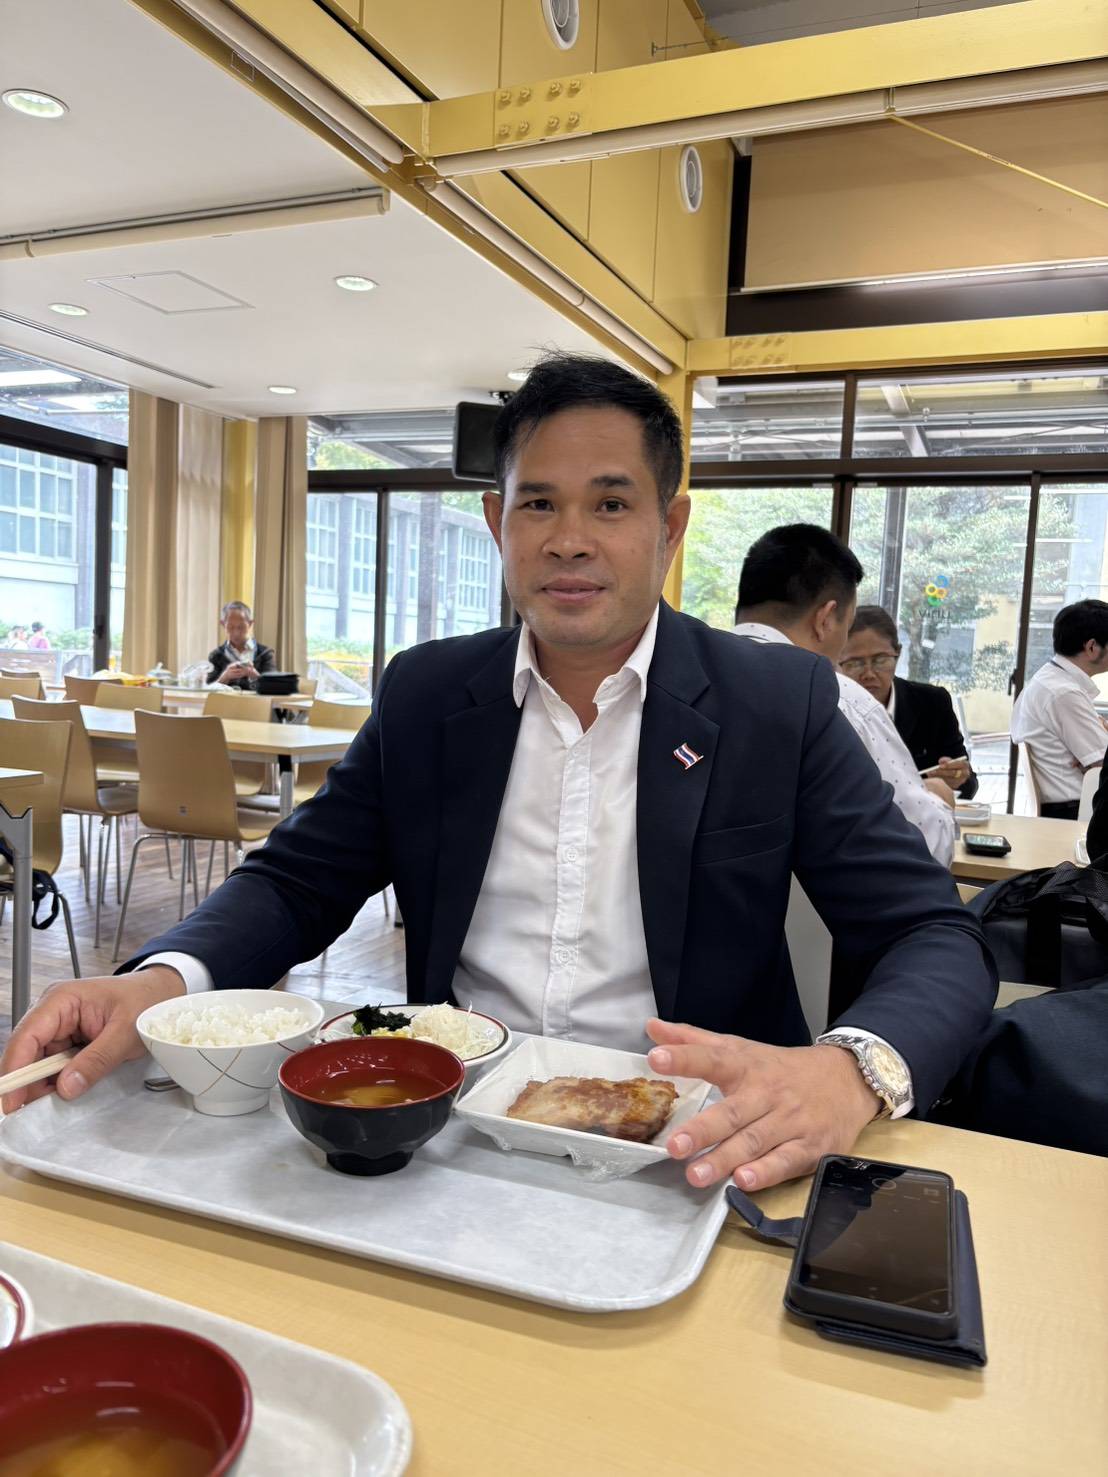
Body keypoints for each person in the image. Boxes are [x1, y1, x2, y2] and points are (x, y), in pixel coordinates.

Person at [0, 354, 996, 1196]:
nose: (570, 538)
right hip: (449, 1139)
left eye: (611, 503)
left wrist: (849, 1071)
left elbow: (933, 935)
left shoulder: (775, 702)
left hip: (697, 1147)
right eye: (539, 503)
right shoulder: (430, 694)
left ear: (670, 526)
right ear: (496, 520)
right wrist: (163, 983)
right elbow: (298, 880)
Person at [733, 528, 956, 866]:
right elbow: (923, 846)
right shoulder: (840, 700)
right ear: (825, 620)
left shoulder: (679, 677)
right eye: (847, 626)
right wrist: (940, 801)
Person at [839, 605, 978, 801]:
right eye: (855, 663)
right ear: (837, 662)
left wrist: (957, 777)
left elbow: (969, 784)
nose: (869, 674)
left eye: (880, 660)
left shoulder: (932, 703)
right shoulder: (828, 709)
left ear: (898, 654)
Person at [1010, 599, 1108, 819]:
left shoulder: (1048, 680)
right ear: (1092, 647)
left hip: (1072, 808)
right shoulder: (1064, 693)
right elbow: (1104, 764)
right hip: (1080, 813)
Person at [207, 601, 276, 689]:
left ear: (250, 624)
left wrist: (253, 674)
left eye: (241, 627)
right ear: (223, 624)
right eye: (230, 627)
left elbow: (274, 687)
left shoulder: (265, 654)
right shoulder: (216, 656)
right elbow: (207, 690)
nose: (236, 633)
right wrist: (225, 677)